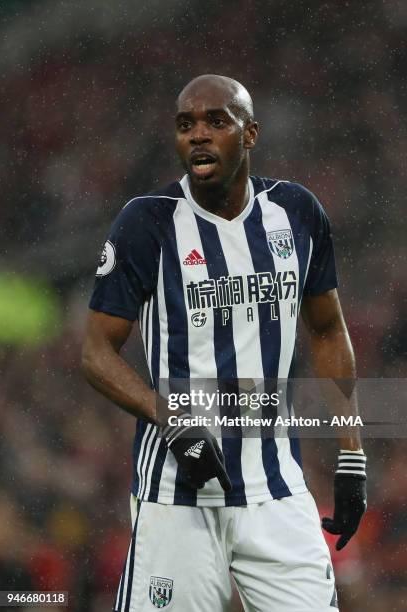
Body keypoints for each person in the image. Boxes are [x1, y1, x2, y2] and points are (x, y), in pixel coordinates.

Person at [82, 74, 367, 611]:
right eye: (186, 124)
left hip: (275, 487)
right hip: (176, 491)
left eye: (217, 121)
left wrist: (352, 453)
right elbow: (95, 353)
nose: (198, 135)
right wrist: (169, 417)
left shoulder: (297, 213)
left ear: (251, 133)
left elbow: (328, 328)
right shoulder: (147, 222)